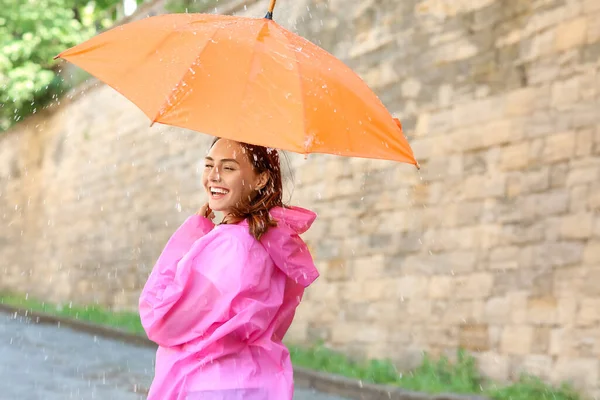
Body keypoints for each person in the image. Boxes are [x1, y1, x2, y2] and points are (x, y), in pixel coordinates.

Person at [139, 138, 319, 400]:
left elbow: (162, 321)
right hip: (257, 384)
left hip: (207, 386)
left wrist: (190, 235)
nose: (213, 176)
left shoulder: (230, 246)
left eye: (229, 168)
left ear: (261, 179)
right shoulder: (273, 241)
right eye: (209, 165)